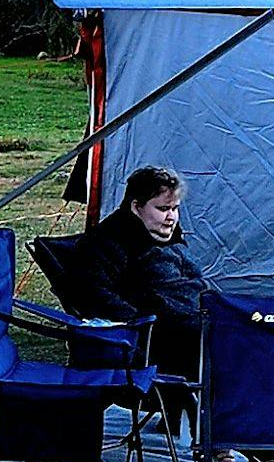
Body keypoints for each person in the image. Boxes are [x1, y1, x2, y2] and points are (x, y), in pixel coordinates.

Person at [75, 165, 211, 386]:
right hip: (162, 337)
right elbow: (95, 294)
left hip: (197, 315)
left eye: (175, 209)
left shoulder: (166, 236)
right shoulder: (106, 243)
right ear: (136, 207)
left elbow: (192, 279)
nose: (171, 217)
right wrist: (142, 321)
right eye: (163, 209)